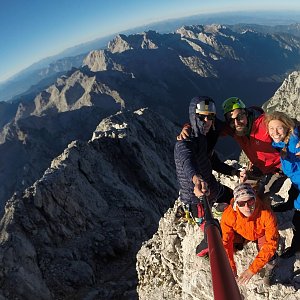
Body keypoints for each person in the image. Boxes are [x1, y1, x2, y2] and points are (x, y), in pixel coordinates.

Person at [174, 96, 245, 257]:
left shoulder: (208, 134)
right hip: (196, 196)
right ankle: (202, 252)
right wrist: (196, 179)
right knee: (212, 231)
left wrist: (234, 172)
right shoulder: (185, 142)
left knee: (233, 198)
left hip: (212, 186)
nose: (207, 121)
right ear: (194, 117)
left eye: (210, 117)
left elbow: (213, 161)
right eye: (202, 117)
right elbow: (186, 160)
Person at [220, 183, 279, 285]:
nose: (247, 207)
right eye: (242, 203)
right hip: (242, 233)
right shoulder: (229, 216)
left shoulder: (267, 214)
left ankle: (270, 267)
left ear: (255, 199)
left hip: (261, 233)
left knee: (269, 253)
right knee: (227, 246)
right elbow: (226, 242)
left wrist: (252, 270)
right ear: (236, 204)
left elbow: (271, 244)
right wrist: (231, 267)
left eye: (250, 201)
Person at [265, 111, 300, 258]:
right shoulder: (283, 140)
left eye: (279, 128)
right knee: (292, 193)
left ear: (287, 127)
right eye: (271, 129)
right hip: (296, 181)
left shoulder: (294, 143)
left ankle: (296, 248)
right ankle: (288, 205)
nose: (275, 132)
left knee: (298, 219)